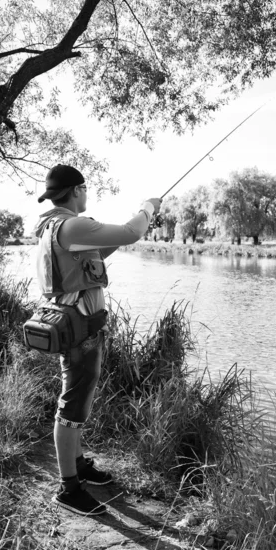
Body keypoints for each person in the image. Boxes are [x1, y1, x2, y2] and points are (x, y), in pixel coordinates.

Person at [34, 164, 162, 516]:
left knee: (78, 397)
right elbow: (133, 231)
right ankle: (68, 488)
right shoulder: (72, 223)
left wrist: (113, 239)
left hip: (76, 325)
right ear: (77, 190)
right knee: (72, 404)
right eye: (85, 189)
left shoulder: (53, 226)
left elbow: (88, 260)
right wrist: (148, 206)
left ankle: (78, 464)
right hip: (79, 329)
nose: (87, 195)